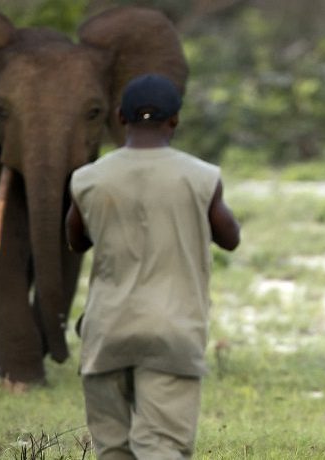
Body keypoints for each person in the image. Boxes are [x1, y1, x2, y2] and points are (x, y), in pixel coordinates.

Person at [66, 73, 240, 459]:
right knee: (162, 446)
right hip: (172, 330)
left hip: (106, 331)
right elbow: (230, 237)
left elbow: (76, 239)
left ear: (120, 117)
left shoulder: (88, 179)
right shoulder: (202, 177)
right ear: (175, 120)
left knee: (112, 449)